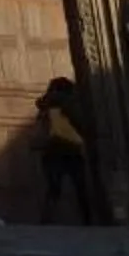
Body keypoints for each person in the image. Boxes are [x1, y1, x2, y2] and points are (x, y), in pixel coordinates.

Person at [36, 75, 95, 224]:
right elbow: (79, 123)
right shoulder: (62, 105)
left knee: (58, 189)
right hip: (66, 149)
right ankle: (87, 221)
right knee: (76, 187)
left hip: (58, 150)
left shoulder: (51, 106)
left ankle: (46, 221)